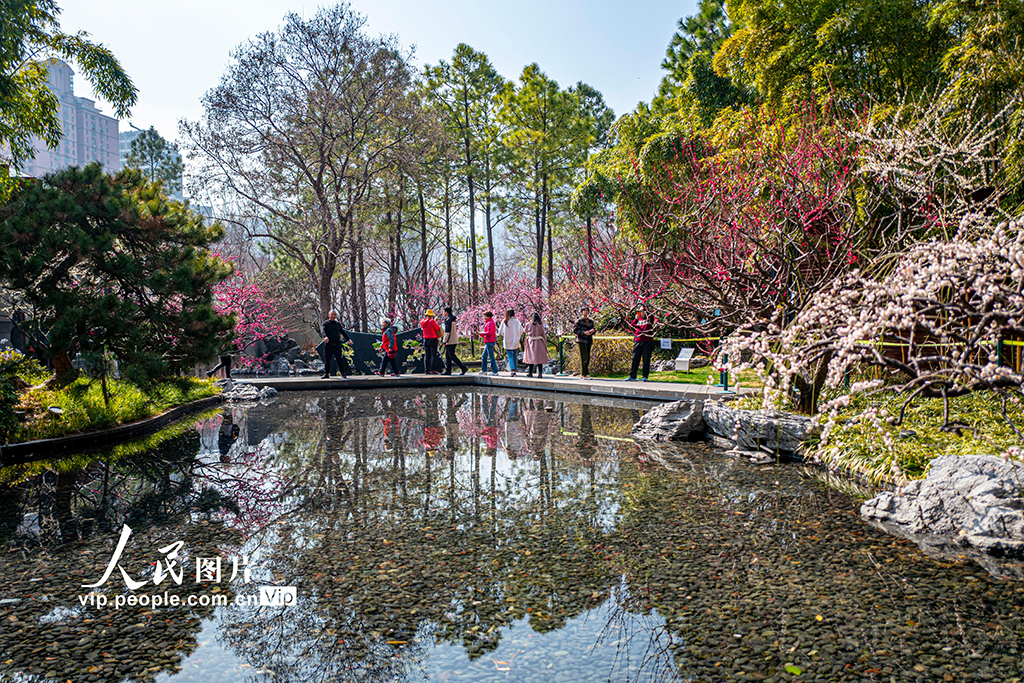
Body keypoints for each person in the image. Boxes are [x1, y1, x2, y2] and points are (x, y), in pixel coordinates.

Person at [627, 305, 656, 382]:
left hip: (647, 341)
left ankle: (645, 376)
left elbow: (652, 315)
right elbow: (631, 326)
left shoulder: (649, 318)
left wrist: (644, 307)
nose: (641, 313)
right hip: (638, 340)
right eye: (639, 311)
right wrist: (635, 319)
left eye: (642, 311)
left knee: (646, 359)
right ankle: (632, 375)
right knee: (635, 358)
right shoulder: (638, 319)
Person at [321, 310, 352, 379]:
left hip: (337, 344)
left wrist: (348, 339)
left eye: (335, 315)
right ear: (329, 315)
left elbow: (342, 332)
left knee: (339, 359)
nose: (333, 316)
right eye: (332, 314)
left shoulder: (337, 324)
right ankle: (326, 373)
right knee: (327, 360)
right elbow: (323, 331)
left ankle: (343, 373)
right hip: (329, 344)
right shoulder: (325, 324)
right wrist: (325, 337)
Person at [441, 306, 467, 375]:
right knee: (448, 356)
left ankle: (463, 367)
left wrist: (444, 341)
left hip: (450, 340)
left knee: (452, 356)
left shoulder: (448, 320)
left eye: (443, 312)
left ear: (446, 312)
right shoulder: (453, 319)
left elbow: (447, 332)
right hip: (453, 339)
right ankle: (448, 370)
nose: (443, 313)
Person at [522, 312, 548, 378]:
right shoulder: (540, 324)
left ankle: (530, 373)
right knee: (539, 359)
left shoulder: (528, 324)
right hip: (539, 342)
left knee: (531, 358)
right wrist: (545, 342)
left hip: (531, 342)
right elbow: (543, 334)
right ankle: (540, 373)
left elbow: (525, 331)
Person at [573, 306, 597, 378]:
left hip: (588, 340)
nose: (585, 312)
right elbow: (575, 330)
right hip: (582, 340)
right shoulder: (579, 321)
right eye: (584, 311)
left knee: (588, 357)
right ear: (582, 312)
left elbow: (594, 329)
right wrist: (583, 332)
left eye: (587, 311)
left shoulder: (590, 321)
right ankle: (583, 373)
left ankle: (585, 373)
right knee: (584, 357)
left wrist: (591, 332)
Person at [498, 308, 522, 376]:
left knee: (510, 356)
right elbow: (521, 330)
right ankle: (514, 369)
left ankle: (512, 370)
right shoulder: (516, 321)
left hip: (507, 340)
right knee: (514, 355)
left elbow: (500, 331)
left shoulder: (505, 321)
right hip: (515, 340)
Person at [419, 309, 442, 374]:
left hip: (425, 339)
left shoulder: (422, 322)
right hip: (432, 339)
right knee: (433, 355)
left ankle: (426, 370)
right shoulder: (432, 321)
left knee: (427, 355)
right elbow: (437, 328)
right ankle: (433, 369)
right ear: (431, 316)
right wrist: (435, 321)